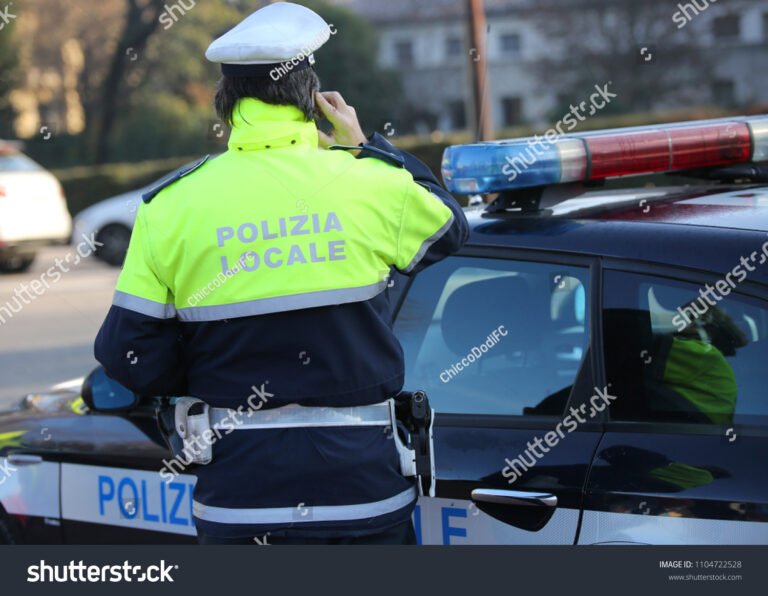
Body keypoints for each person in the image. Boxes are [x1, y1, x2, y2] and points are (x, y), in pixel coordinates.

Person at [94, 2, 468, 545]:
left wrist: (202, 373)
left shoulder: (169, 206)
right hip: (363, 495)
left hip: (240, 503)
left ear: (226, 104)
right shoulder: (366, 182)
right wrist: (364, 147)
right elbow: (450, 226)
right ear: (312, 97)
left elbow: (128, 355)